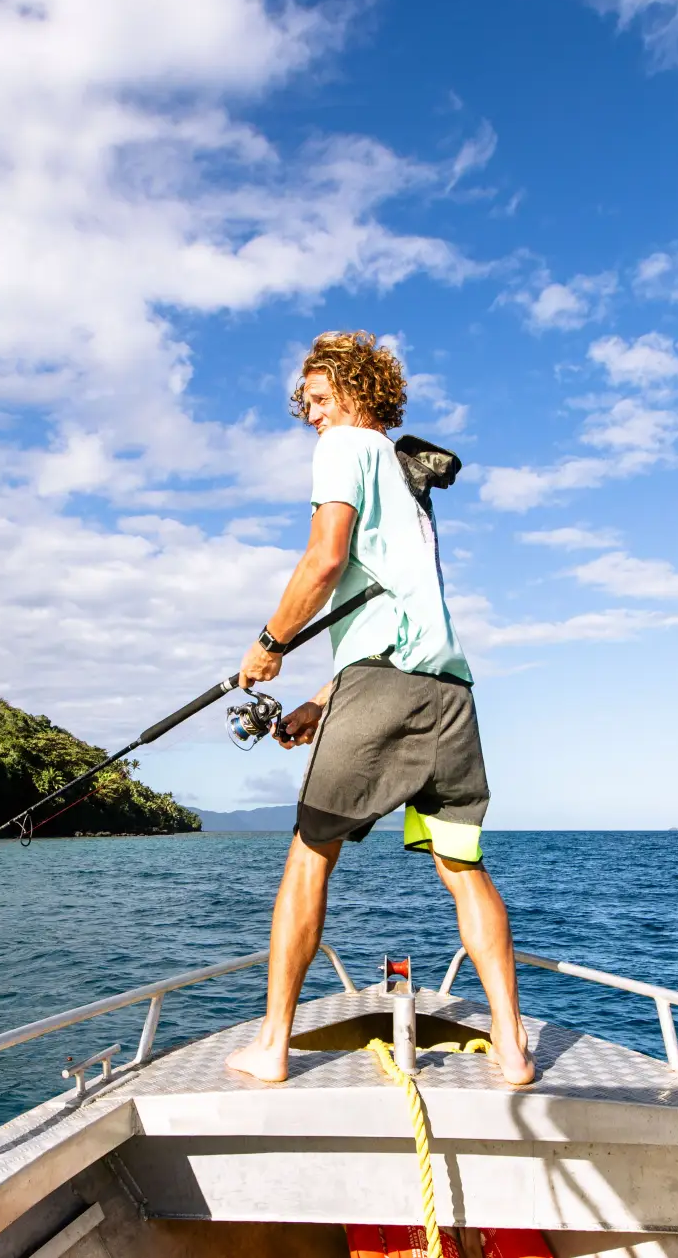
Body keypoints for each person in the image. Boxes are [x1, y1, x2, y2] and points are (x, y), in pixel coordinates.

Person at [223, 331, 535, 1088]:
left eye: (321, 399)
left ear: (359, 392)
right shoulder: (409, 493)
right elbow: (400, 617)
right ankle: (514, 1047)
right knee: (463, 868)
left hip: (385, 691)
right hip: (449, 699)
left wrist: (271, 642)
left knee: (308, 856)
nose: (312, 417)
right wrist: (321, 700)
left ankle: (272, 1045)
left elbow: (324, 560)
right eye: (307, 406)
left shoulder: (347, 449)